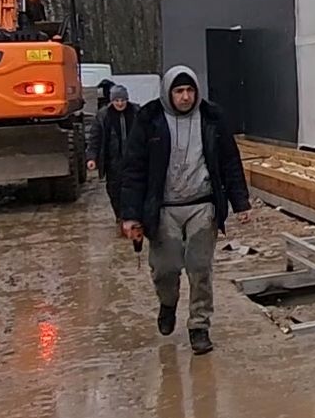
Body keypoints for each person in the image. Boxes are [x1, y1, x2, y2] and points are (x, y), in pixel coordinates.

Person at [119, 66, 252, 355]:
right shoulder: (150, 120)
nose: (185, 97)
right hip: (164, 207)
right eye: (179, 91)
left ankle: (199, 326)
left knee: (200, 268)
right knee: (165, 269)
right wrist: (130, 214)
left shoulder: (212, 118)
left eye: (190, 90)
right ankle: (168, 304)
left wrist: (240, 202)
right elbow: (134, 170)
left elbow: (230, 161)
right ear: (168, 92)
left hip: (202, 204)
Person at [88, 84, 138, 220]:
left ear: (127, 100)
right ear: (112, 101)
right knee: (114, 191)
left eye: (123, 100)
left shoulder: (137, 112)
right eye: (117, 100)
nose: (120, 103)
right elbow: (95, 138)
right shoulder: (103, 115)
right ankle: (119, 216)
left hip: (133, 160)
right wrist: (92, 158)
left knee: (133, 188)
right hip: (113, 162)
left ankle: (132, 215)